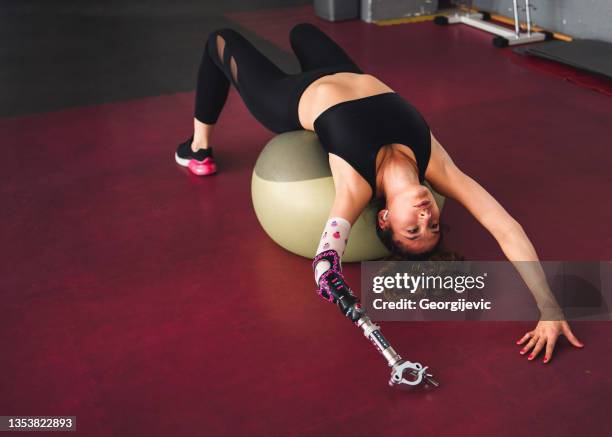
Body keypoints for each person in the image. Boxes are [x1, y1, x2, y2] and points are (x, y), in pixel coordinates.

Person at [176, 22, 583, 363]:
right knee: (303, 31)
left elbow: (325, 257)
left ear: (385, 218)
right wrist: (549, 305)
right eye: (434, 223)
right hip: (344, 71)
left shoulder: (354, 186)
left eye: (413, 230)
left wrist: (328, 272)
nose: (426, 215)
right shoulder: (438, 166)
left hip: (288, 97)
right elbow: (505, 226)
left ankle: (198, 149)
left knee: (219, 40)